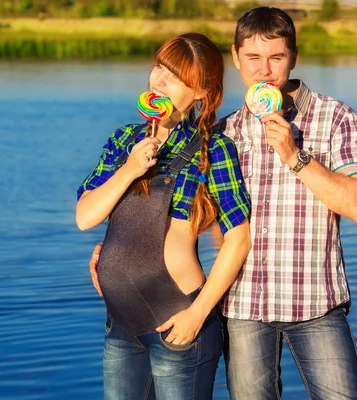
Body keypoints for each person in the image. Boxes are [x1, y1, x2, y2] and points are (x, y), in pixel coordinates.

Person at [90, 7, 357, 399]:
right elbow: (200, 222)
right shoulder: (222, 133)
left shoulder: (335, 117)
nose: (265, 71)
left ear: (293, 56)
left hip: (315, 301)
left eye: (276, 58)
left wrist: (295, 156)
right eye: (253, 59)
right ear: (236, 58)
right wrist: (119, 253)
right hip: (242, 307)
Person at [76, 32, 251, 400]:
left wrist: (198, 314)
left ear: (201, 92)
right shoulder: (124, 140)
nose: (159, 80)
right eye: (159, 68)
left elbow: (239, 238)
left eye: (174, 76)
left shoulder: (213, 150)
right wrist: (129, 169)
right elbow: (85, 217)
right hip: (122, 327)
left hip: (179, 322)